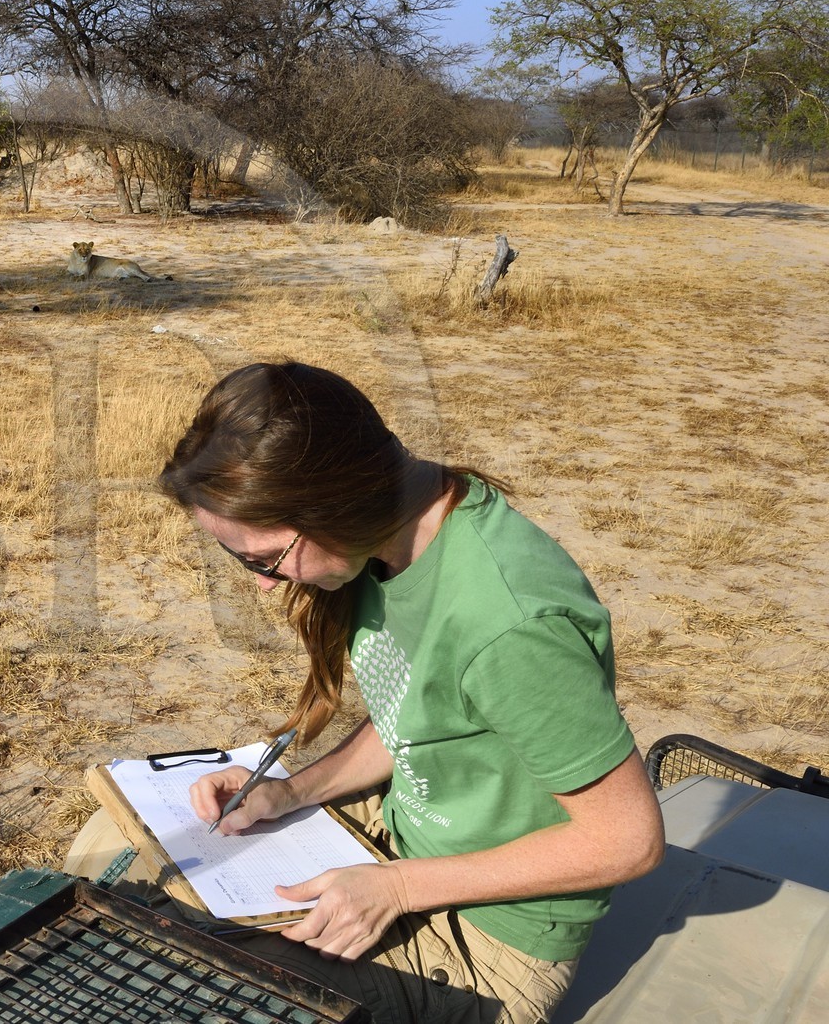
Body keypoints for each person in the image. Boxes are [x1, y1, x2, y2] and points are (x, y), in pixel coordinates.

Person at [64, 361, 665, 1024]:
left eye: (264, 559)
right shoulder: (395, 535)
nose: (263, 583)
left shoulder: (511, 627)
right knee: (112, 843)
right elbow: (420, 709)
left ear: (332, 506)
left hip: (489, 939)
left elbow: (626, 839)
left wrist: (397, 887)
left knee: (186, 976)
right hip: (400, 834)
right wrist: (288, 792)